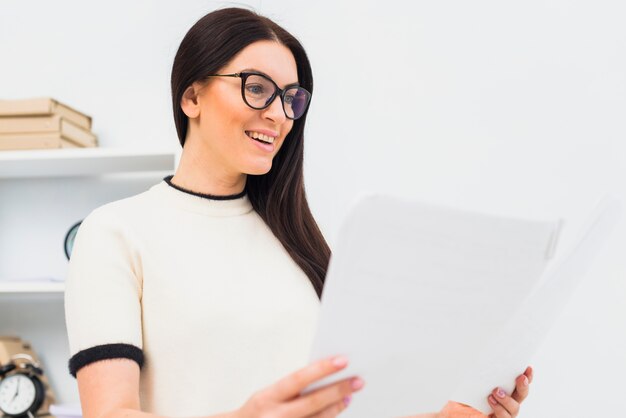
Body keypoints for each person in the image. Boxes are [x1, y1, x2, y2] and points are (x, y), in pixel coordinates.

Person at [64, 7, 533, 418]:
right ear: (192, 98)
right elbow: (109, 412)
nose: (280, 114)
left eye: (291, 98)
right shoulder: (116, 233)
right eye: (256, 88)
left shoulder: (301, 241)